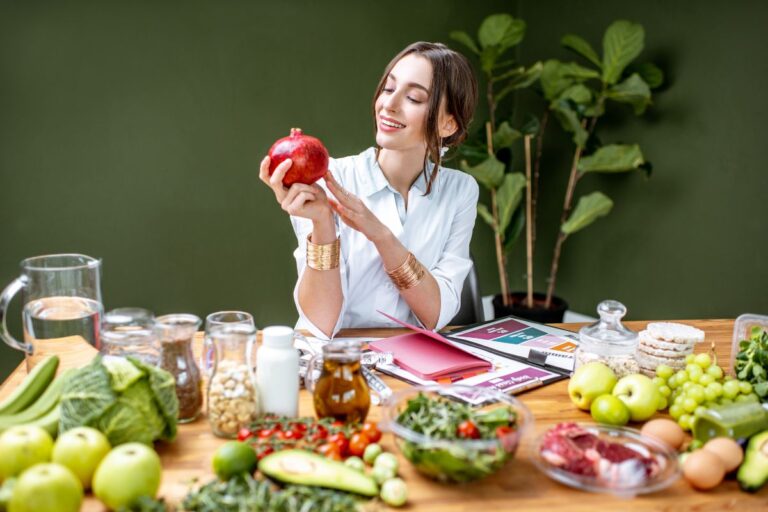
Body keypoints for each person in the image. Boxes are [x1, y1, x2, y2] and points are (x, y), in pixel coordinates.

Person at [259, 41, 479, 339]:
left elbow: (434, 315)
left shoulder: (460, 191)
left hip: (414, 364)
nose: (389, 104)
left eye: (413, 98)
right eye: (388, 90)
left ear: (447, 124)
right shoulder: (326, 180)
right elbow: (321, 325)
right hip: (336, 362)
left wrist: (380, 233)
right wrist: (323, 223)